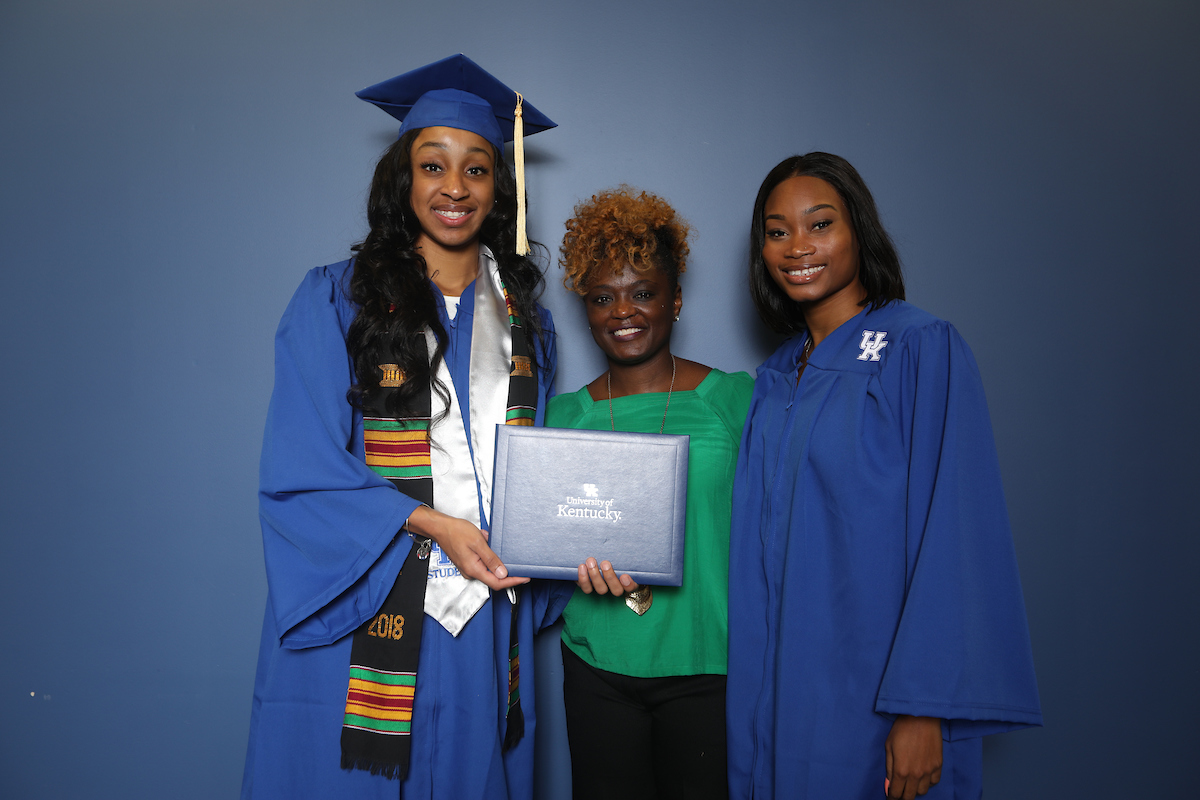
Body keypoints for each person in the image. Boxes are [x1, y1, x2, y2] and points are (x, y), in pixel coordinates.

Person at [240, 55, 570, 799]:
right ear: (404, 179)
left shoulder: (530, 327)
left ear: (499, 186)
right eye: (433, 165)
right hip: (370, 604)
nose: (455, 188)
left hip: (483, 609)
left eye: (478, 169)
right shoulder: (333, 299)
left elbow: (537, 475)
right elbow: (299, 465)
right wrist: (431, 522)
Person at [726, 153, 1042, 800]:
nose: (798, 247)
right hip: (780, 690)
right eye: (777, 231)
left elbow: (954, 531)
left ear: (858, 233)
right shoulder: (777, 375)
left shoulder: (918, 348)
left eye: (820, 224)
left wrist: (923, 707)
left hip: (878, 691)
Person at [546, 187, 753, 800]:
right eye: (603, 297)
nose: (623, 312)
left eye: (643, 293)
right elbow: (547, 540)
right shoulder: (563, 416)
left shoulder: (733, 402)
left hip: (708, 663)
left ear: (676, 299)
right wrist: (569, 563)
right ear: (586, 308)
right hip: (598, 664)